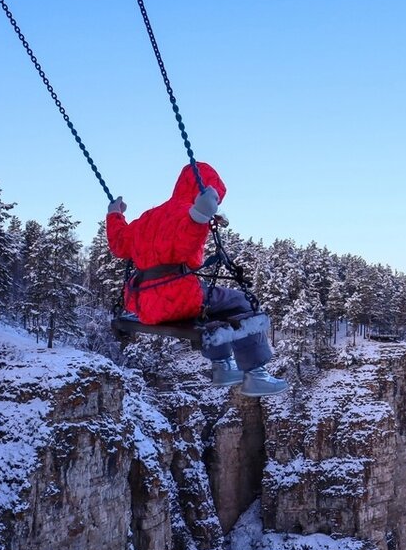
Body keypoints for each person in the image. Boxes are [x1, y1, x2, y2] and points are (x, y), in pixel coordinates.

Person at [106, 162, 288, 396]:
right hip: (179, 297)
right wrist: (199, 217)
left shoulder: (149, 217)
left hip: (143, 302)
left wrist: (114, 214)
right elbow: (184, 244)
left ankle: (223, 366)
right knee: (242, 303)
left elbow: (120, 244)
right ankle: (256, 374)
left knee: (213, 304)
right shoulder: (186, 213)